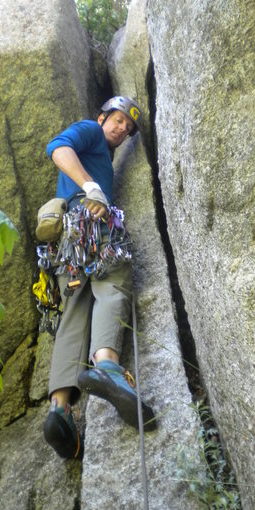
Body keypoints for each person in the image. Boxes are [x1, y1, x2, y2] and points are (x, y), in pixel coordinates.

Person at [43, 96, 156, 460]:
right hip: (92, 223)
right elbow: (57, 146)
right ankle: (106, 364)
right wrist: (91, 186)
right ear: (102, 117)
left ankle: (59, 411)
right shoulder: (90, 131)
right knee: (113, 282)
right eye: (118, 120)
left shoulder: (101, 153)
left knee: (74, 312)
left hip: (67, 242)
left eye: (129, 127)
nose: (123, 129)